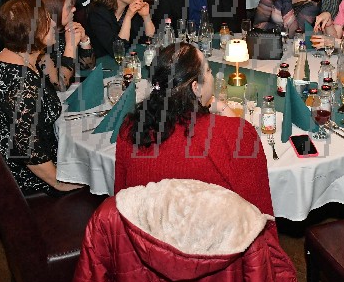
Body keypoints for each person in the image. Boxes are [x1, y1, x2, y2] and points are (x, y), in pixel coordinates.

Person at [114, 42, 274, 210]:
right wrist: (226, 111)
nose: (212, 75)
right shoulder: (236, 136)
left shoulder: (130, 129)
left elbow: (121, 203)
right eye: (209, 71)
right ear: (196, 88)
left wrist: (218, 107)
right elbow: (259, 215)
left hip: (145, 226)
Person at [0, 0, 83, 196]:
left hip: (28, 163)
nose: (54, 24)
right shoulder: (20, 87)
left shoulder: (14, 58)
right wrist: (61, 182)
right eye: (47, 21)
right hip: (26, 182)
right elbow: (28, 151)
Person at [33, 0, 96, 90]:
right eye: (69, 7)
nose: (74, 9)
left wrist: (84, 40)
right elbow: (61, 85)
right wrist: (70, 46)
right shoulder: (39, 41)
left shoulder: (62, 30)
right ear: (54, 12)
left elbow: (87, 66)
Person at [87, 0, 155, 58]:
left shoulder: (129, 9)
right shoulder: (98, 14)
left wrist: (146, 16)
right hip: (104, 62)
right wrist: (128, 17)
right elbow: (118, 51)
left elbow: (148, 40)